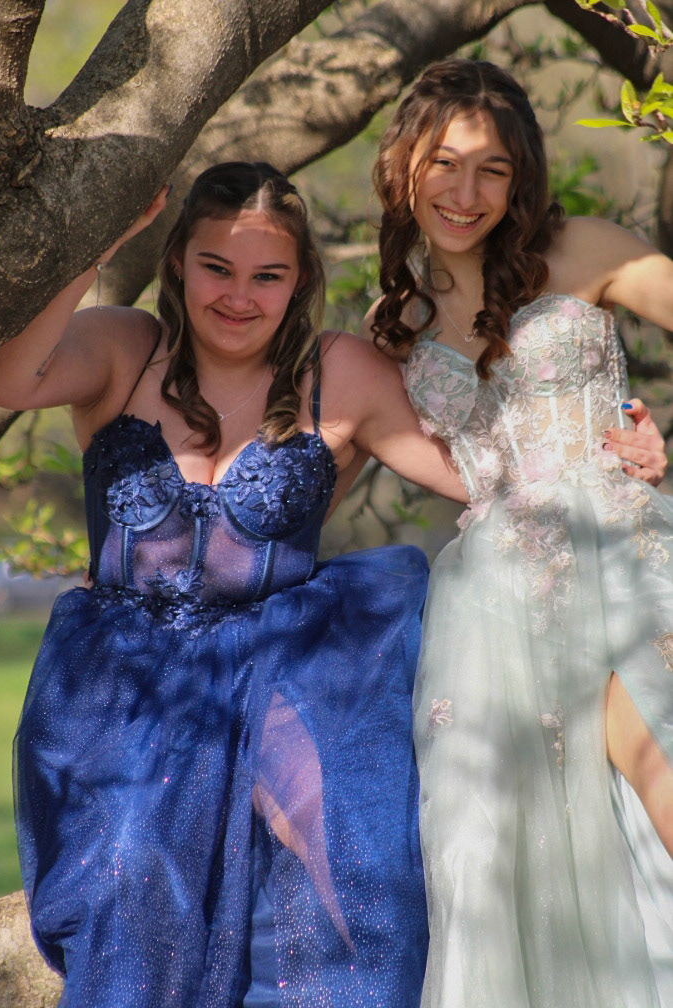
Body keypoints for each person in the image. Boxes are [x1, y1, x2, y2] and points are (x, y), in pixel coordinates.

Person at [0, 162, 663, 1008]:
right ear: (177, 262)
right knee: (131, 878)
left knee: (350, 871)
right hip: (124, 687)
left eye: (267, 275)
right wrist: (99, 240)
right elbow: (9, 378)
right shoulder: (126, 347)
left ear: (301, 278)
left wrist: (617, 445)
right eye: (216, 268)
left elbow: (488, 474)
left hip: (283, 666)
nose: (240, 297)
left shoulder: (336, 372)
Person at [367, 58, 673, 1008]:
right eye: (444, 163)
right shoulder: (393, 321)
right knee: (496, 864)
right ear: (403, 167)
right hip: (499, 608)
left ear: (520, 177)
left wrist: (662, 435)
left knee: (658, 770)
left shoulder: (583, 247)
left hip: (620, 553)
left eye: (491, 169)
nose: (466, 193)